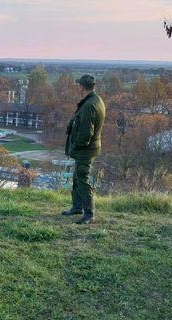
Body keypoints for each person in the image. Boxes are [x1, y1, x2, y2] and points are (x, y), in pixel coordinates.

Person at [63, 74, 105, 225]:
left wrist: (74, 147)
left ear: (82, 87)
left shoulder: (89, 105)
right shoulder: (96, 100)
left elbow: (85, 134)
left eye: (79, 86)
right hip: (87, 148)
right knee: (77, 177)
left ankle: (89, 214)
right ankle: (77, 207)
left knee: (82, 179)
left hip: (85, 149)